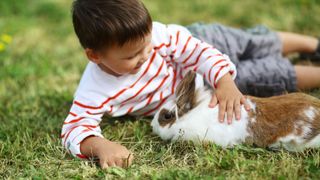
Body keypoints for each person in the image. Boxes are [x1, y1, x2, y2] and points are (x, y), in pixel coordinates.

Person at [61, 0, 320, 169]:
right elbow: (74, 128)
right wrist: (101, 145)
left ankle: (311, 44)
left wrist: (224, 80)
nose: (145, 56)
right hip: (197, 89)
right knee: (264, 76)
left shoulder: (161, 37)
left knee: (252, 42)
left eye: (147, 45)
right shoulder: (95, 89)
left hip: (200, 45)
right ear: (95, 56)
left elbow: (199, 53)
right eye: (131, 56)